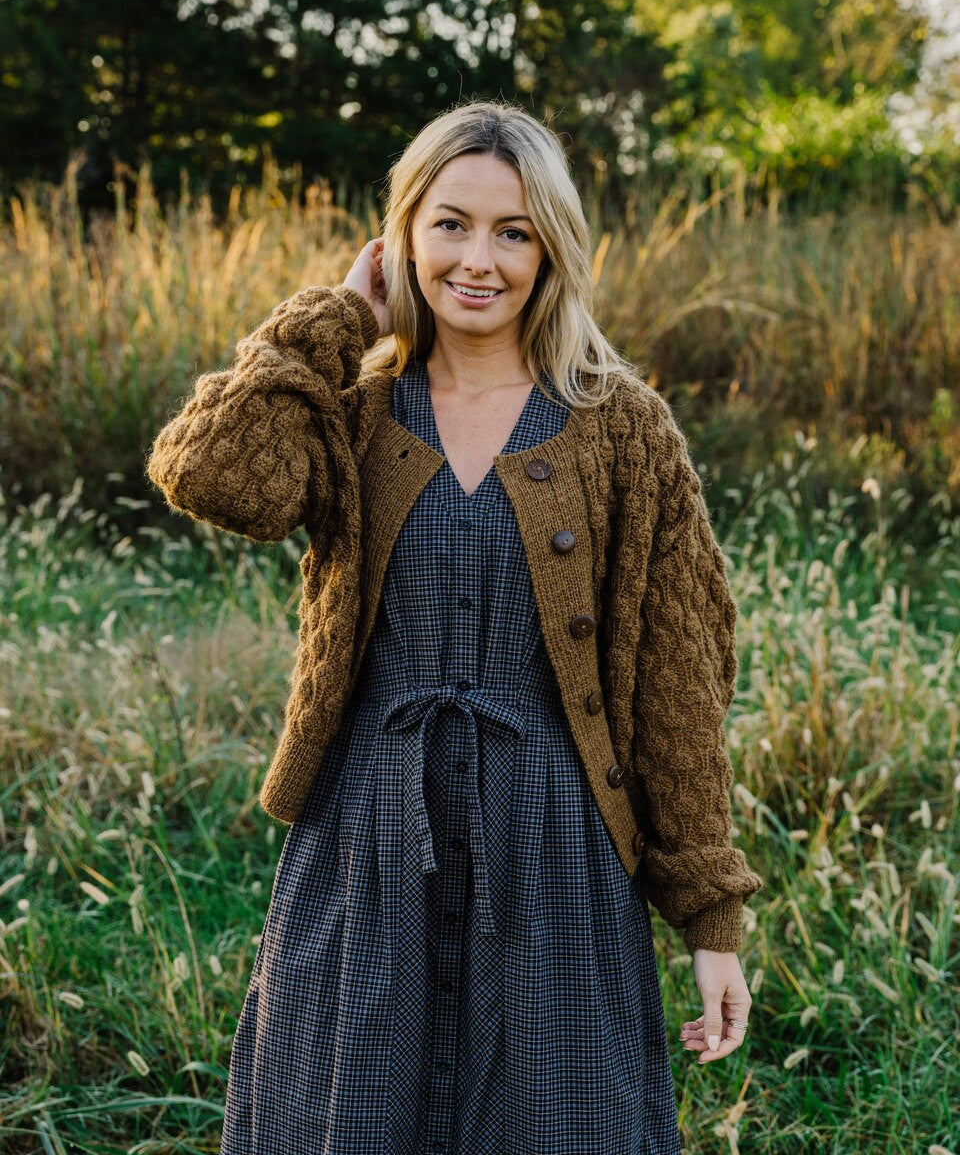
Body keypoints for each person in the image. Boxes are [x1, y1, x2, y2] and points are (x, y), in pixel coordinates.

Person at [146, 99, 764, 1155]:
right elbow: (206, 474)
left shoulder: (621, 424)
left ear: (552, 249)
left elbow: (681, 678)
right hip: (365, 834)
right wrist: (335, 314)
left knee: (558, 1119)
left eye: (513, 231)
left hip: (557, 844)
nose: (480, 258)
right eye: (450, 223)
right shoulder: (352, 400)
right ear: (399, 237)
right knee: (340, 1116)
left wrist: (710, 917)